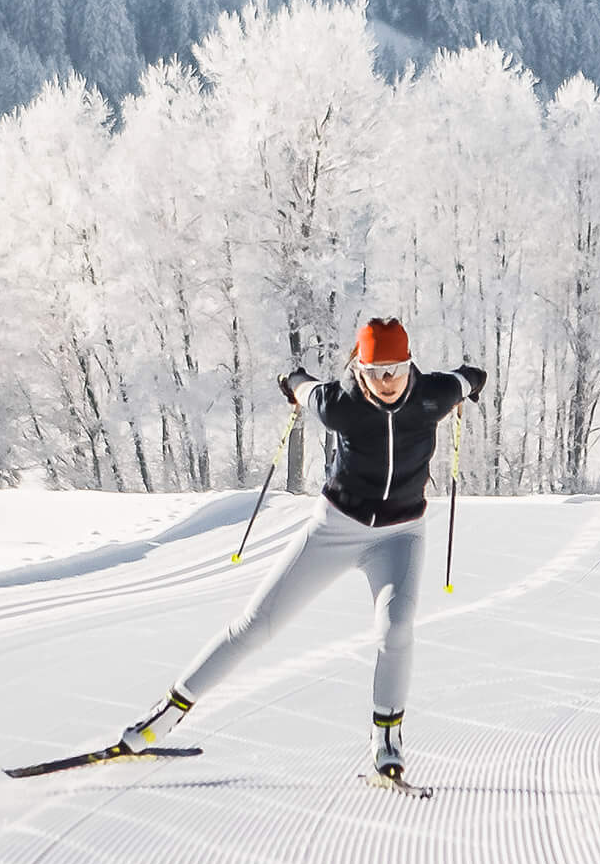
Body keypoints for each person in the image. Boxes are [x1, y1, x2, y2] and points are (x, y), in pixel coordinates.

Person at [115, 316, 486, 782]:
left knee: (395, 631)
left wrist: (473, 383)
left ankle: (386, 741)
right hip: (334, 529)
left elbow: (467, 377)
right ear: (359, 367)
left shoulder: (434, 395)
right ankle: (162, 717)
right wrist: (291, 382)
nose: (387, 381)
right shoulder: (340, 405)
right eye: (375, 371)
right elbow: (305, 387)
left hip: (400, 536)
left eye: (395, 368)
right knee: (255, 625)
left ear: (410, 365)